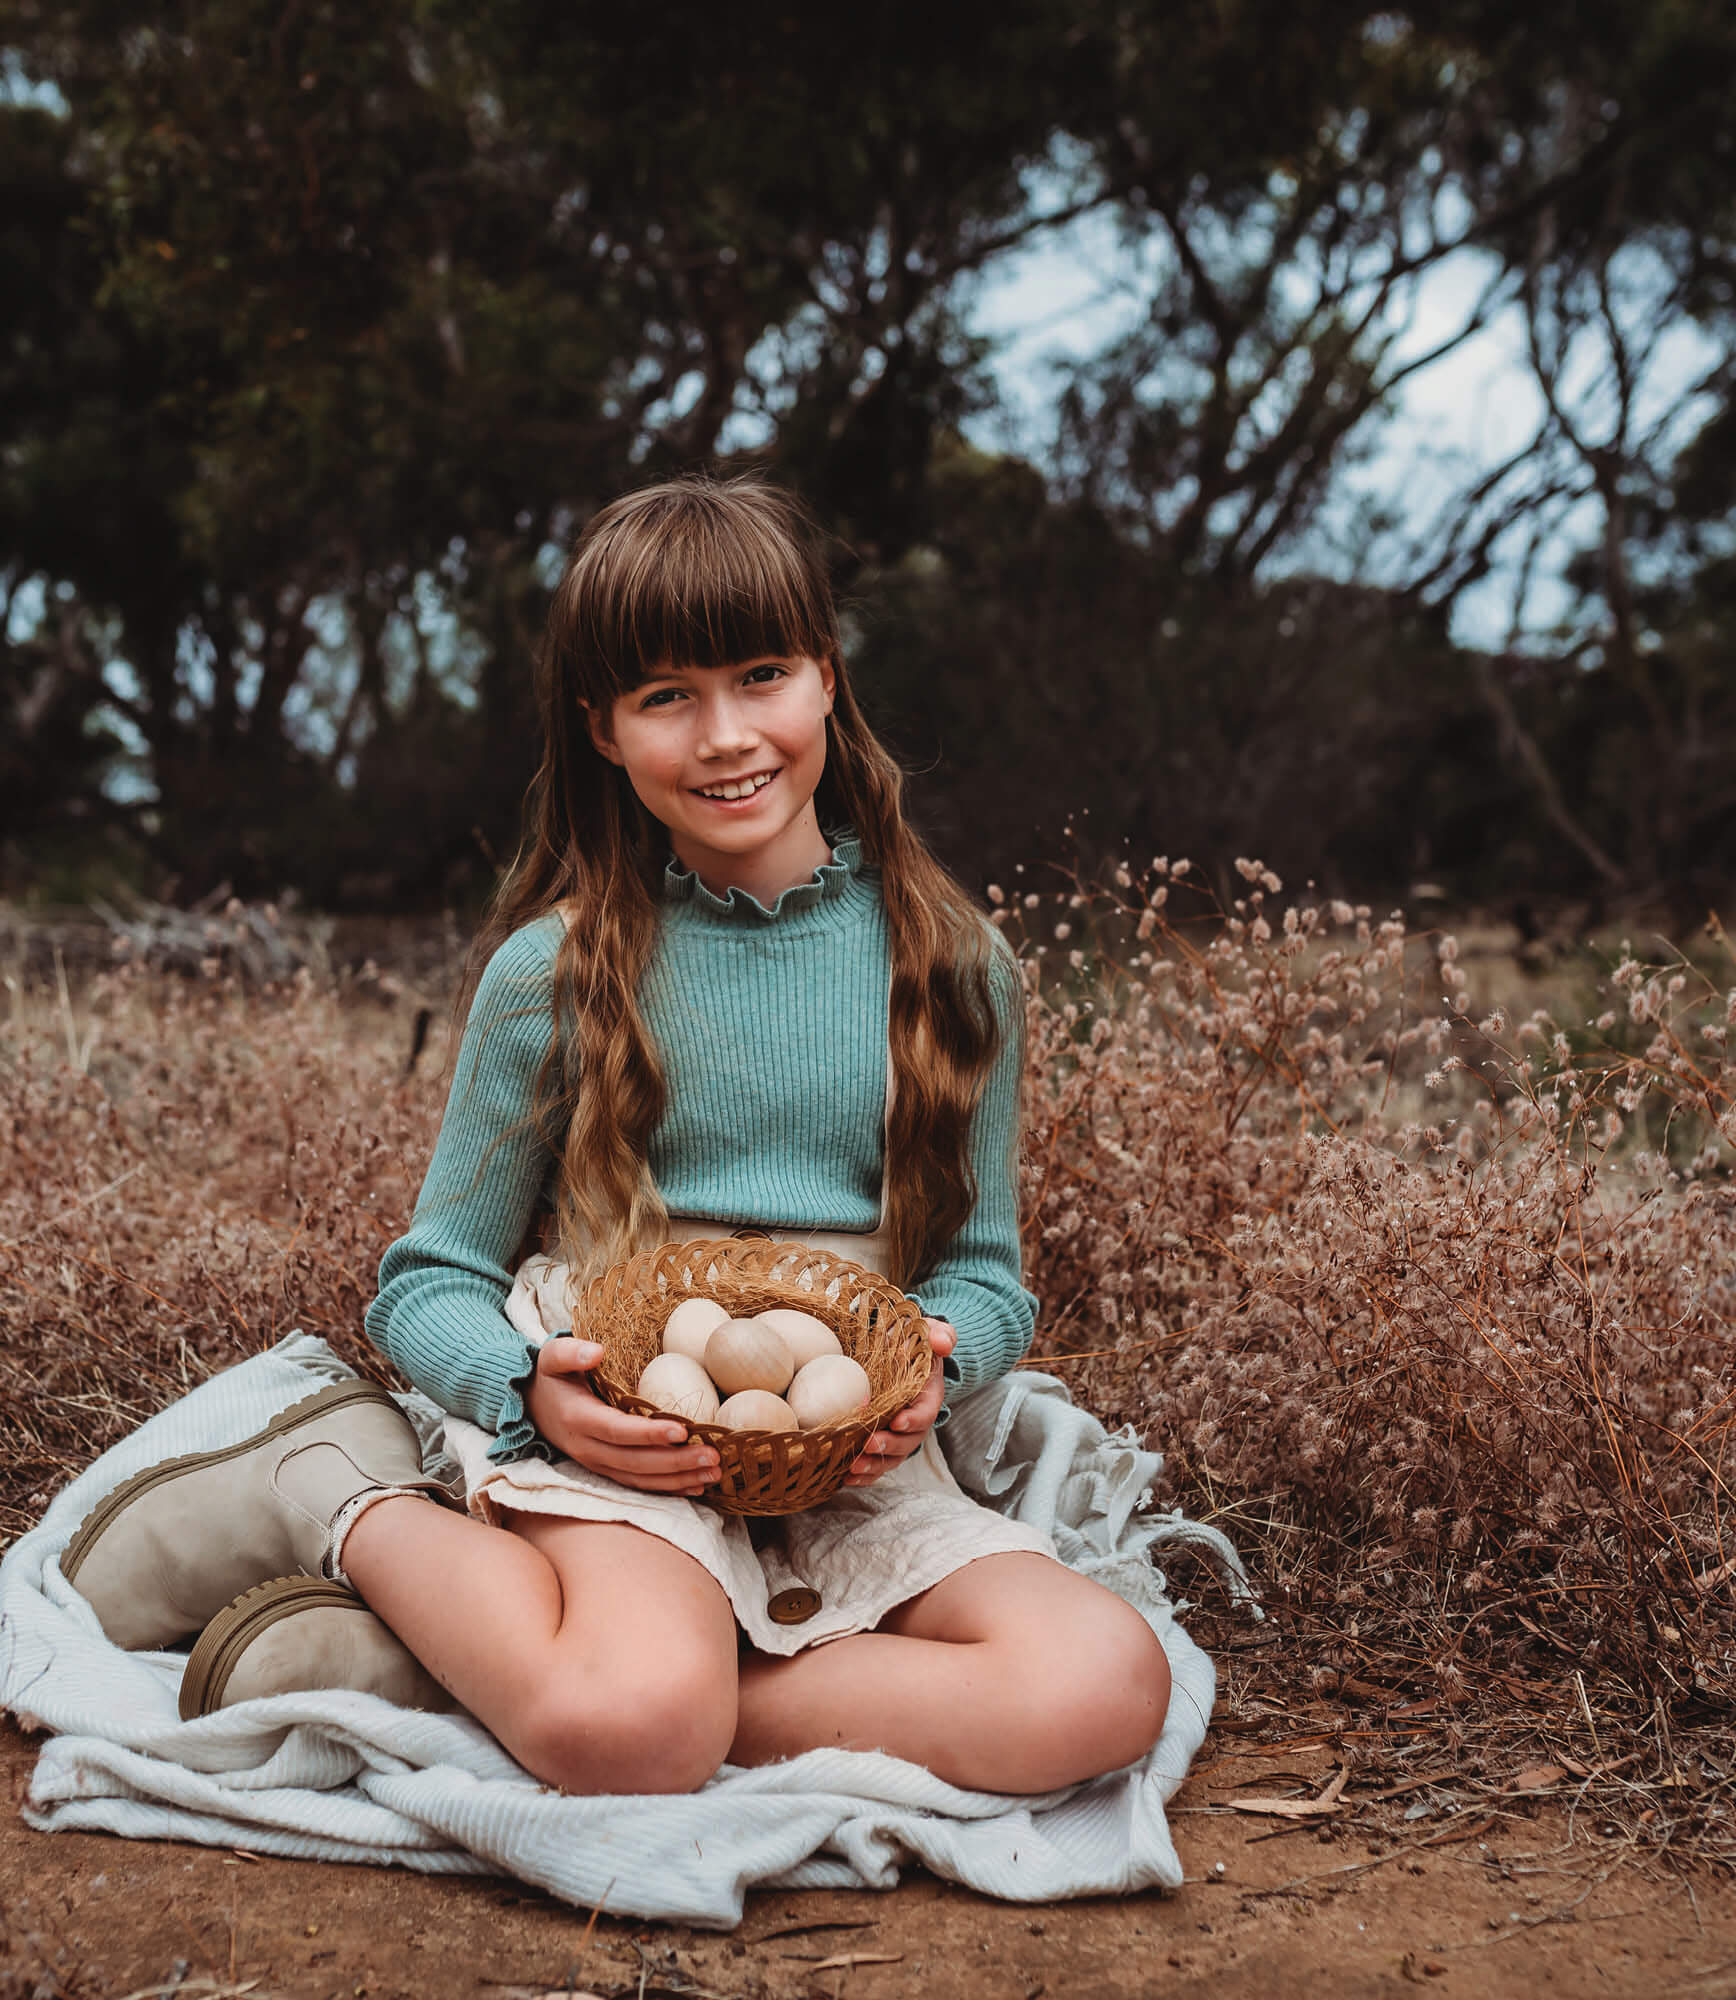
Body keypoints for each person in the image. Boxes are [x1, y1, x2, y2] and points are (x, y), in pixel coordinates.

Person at [61, 475, 1171, 1796]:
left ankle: (526, 1668)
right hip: (618, 1440)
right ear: (602, 728)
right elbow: (430, 1285)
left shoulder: (954, 965)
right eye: (664, 697)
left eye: (762, 673)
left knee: (1106, 1685)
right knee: (629, 1738)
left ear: (827, 674)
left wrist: (938, 1361)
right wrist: (533, 1395)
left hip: (841, 1457)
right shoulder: (556, 973)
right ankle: (332, 1491)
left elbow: (983, 1276)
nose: (724, 736)